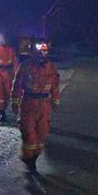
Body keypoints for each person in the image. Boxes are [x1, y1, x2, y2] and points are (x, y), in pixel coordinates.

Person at [12, 41, 60, 173]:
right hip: (29, 102)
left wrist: (55, 99)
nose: (42, 54)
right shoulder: (25, 67)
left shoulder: (51, 67)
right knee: (28, 132)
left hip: (44, 104)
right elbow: (17, 85)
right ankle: (29, 159)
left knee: (42, 132)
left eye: (44, 51)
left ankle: (34, 156)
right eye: (39, 51)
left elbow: (55, 84)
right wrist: (15, 102)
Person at [0, 35, 19, 122]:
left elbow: (15, 63)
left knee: (13, 94)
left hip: (8, 75)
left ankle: (17, 113)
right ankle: (2, 113)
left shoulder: (11, 50)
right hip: (0, 75)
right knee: (0, 95)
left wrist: (17, 75)